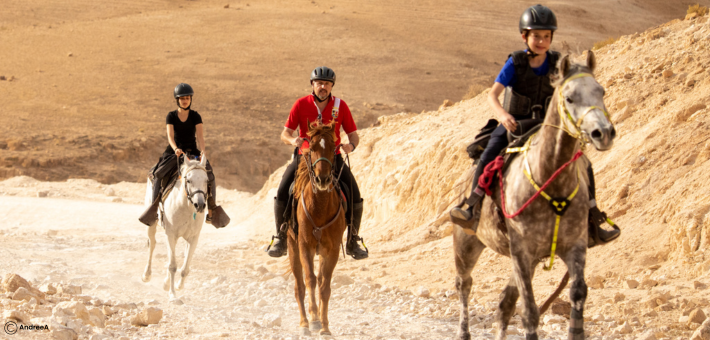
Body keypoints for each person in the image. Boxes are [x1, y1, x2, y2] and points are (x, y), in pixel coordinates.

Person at [449, 4, 620, 246]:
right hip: (515, 124)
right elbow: (492, 95)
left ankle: (594, 218)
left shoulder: (559, 63)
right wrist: (502, 116)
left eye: (546, 36)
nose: (541, 41)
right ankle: (472, 205)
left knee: (583, 162)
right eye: (536, 36)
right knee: (489, 153)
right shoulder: (515, 63)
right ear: (524, 36)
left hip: (546, 125)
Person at [267, 67, 368, 259]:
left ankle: (353, 239)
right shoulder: (301, 104)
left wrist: (351, 146)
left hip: (333, 158)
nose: (323, 87)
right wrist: (293, 141)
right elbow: (285, 133)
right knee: (283, 189)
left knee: (354, 192)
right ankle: (280, 236)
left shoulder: (341, 106)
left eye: (327, 84)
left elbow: (354, 135)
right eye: (319, 83)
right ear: (312, 85)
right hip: (304, 158)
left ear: (332, 86)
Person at [138, 83, 229, 228]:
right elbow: (170, 136)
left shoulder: (195, 116)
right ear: (177, 100)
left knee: (210, 175)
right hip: (174, 152)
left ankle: (211, 211)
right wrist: (175, 149)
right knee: (158, 174)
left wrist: (203, 152)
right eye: (182, 98)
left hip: (192, 152)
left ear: (190, 99)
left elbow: (200, 137)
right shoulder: (171, 116)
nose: (185, 100)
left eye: (187, 98)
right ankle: (153, 210)